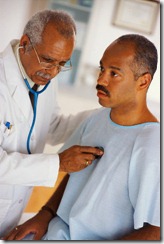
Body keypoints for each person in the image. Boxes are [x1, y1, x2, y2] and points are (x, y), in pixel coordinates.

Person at [4, 34, 160, 241]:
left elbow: (156, 230)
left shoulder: (153, 144)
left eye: (114, 74)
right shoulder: (96, 118)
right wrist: (44, 214)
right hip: (55, 231)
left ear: (143, 82)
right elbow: (74, 174)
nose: (101, 79)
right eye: (102, 69)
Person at [0, 9, 104, 238]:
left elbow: (51, 126)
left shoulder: (43, 75)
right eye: (48, 60)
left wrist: (104, 115)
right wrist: (58, 163)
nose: (53, 72)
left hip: (9, 213)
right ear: (25, 43)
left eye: (62, 63)